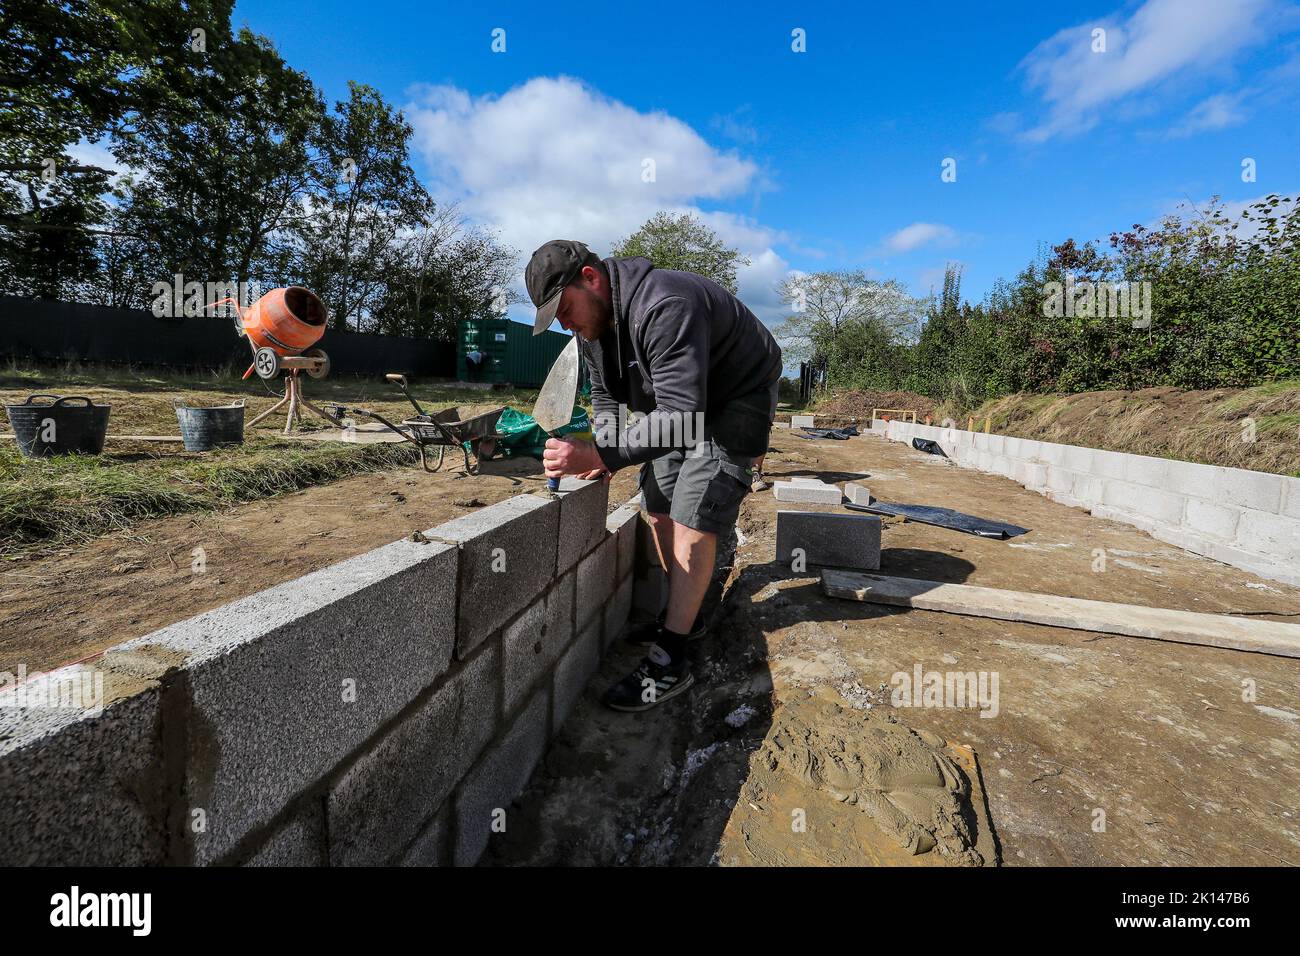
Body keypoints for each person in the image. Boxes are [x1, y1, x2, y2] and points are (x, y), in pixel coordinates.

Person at [526, 239, 782, 711]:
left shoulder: (664, 304)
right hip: (680, 406)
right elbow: (604, 399)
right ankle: (685, 615)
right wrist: (602, 451)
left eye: (564, 309)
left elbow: (684, 417)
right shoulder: (592, 332)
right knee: (658, 502)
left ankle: (671, 660)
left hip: (736, 396)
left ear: (590, 278)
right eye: (555, 318)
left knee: (694, 513)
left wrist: (603, 455)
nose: (564, 323)